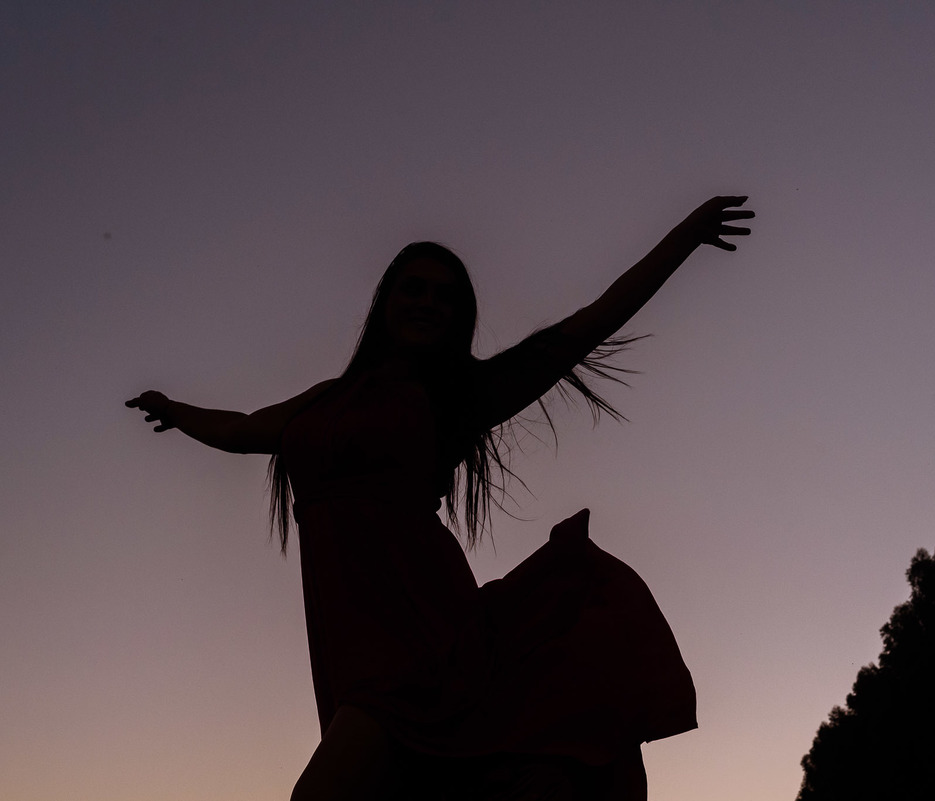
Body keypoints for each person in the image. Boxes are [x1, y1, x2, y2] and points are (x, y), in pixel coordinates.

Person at [126, 195, 754, 800]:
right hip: (352, 643)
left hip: (426, 640)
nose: (428, 303)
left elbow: (586, 327)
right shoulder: (323, 400)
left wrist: (684, 238)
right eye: (414, 289)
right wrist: (175, 410)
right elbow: (241, 429)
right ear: (385, 302)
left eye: (445, 297)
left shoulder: (459, 397)